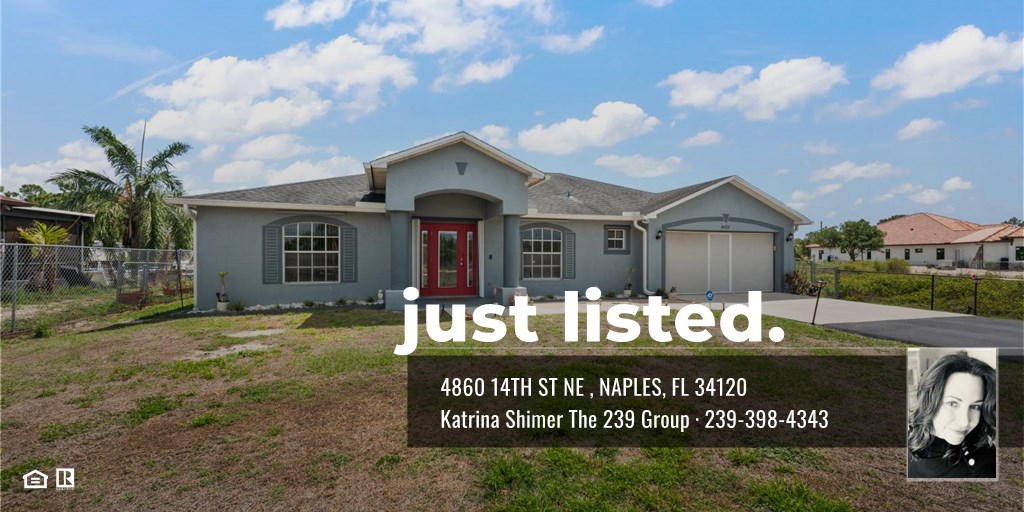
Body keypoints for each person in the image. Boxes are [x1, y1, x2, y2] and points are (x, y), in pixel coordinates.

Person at [908, 351, 997, 479]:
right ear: (929, 401)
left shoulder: (984, 465)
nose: (965, 422)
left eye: (975, 407)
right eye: (953, 403)